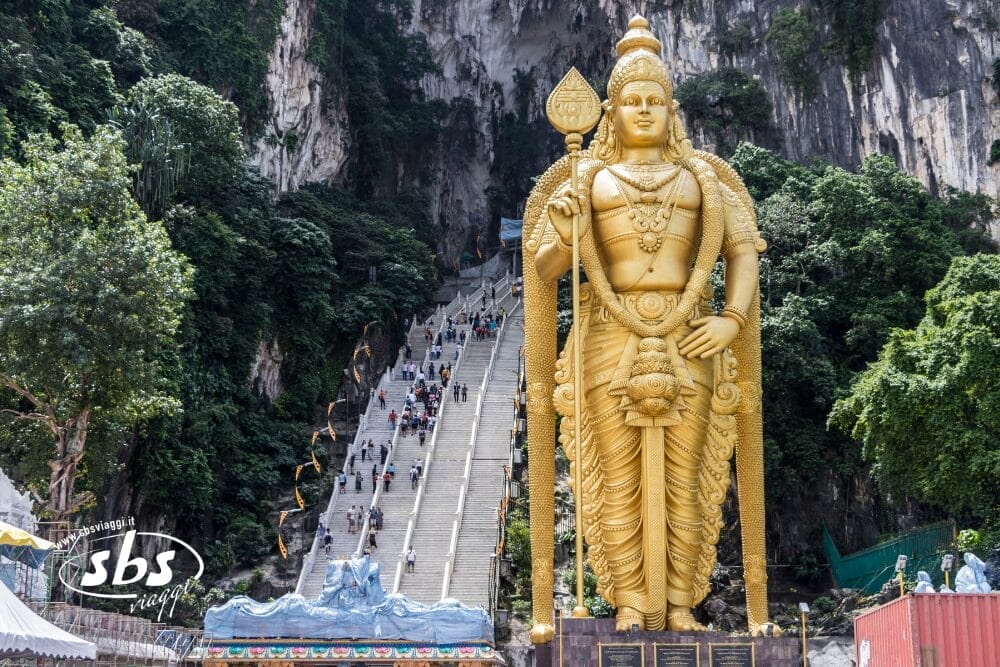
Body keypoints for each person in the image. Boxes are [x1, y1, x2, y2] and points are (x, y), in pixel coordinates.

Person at [522, 16, 769, 635]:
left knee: (687, 478)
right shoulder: (586, 178)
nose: (643, 110)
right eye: (630, 100)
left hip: (692, 334)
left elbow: (743, 251)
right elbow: (549, 266)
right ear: (609, 110)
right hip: (609, 331)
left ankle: (681, 602)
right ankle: (630, 601)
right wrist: (566, 226)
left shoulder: (705, 178)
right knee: (617, 477)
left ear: (672, 109)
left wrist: (731, 319)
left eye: (654, 100)